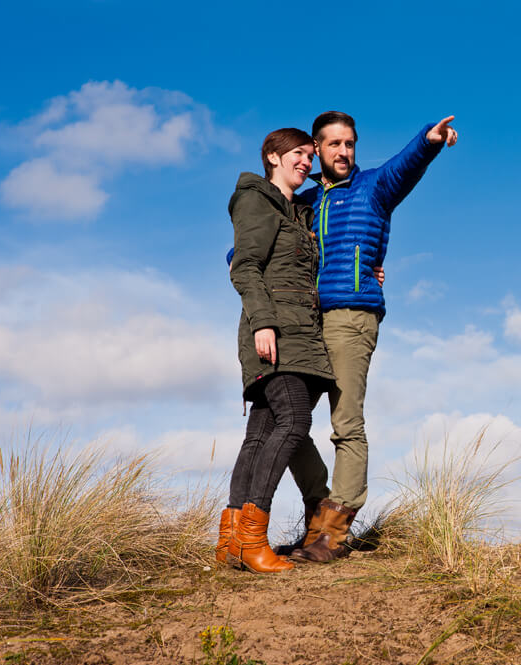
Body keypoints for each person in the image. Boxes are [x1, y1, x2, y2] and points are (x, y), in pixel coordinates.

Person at [287, 112, 458, 563]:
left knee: (345, 423)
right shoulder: (304, 203)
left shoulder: (373, 188)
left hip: (351, 315)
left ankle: (333, 533)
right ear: (317, 150)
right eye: (334, 145)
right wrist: (233, 255)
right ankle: (317, 510)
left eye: (350, 144)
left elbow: (405, 165)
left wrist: (430, 139)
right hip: (307, 322)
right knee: (288, 423)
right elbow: (265, 232)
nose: (344, 152)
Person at [215, 127, 335, 574]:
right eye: (298, 154)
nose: (306, 161)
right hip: (275, 331)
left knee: (260, 434)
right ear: (272, 156)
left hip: (295, 331)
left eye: (310, 155)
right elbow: (245, 266)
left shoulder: (294, 210)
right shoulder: (256, 199)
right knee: (295, 420)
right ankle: (252, 540)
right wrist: (264, 322)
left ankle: (231, 541)